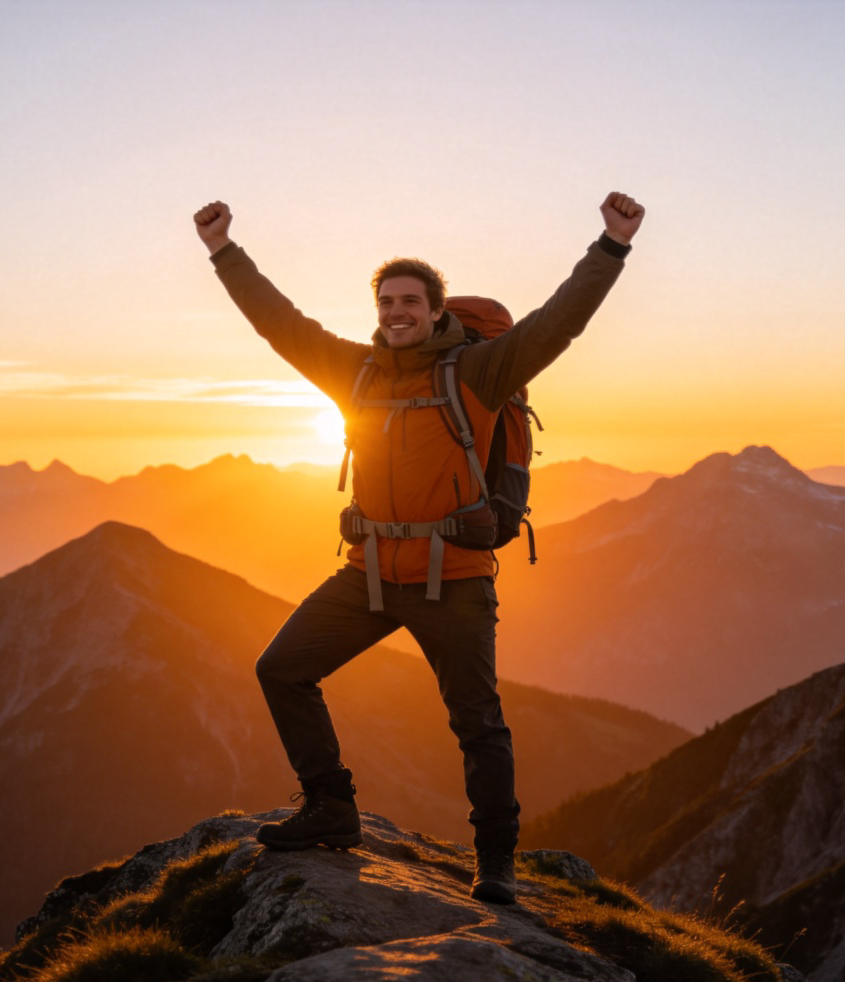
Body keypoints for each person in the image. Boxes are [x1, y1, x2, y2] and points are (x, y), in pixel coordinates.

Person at [193, 192, 645, 904]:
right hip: (368, 575)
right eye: (385, 303)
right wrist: (224, 250)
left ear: (437, 312)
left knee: (477, 721)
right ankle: (330, 806)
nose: (396, 312)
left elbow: (559, 324)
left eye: (410, 301)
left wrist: (611, 245)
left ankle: (495, 860)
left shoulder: (476, 373)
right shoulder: (355, 372)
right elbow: (279, 325)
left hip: (455, 578)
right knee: (281, 668)